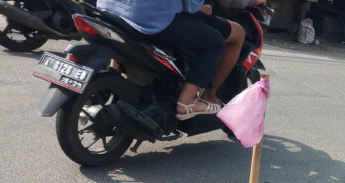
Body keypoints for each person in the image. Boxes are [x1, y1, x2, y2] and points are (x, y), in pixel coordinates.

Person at [96, 0, 245, 120]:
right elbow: (194, 6)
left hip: (107, 8)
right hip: (146, 18)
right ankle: (187, 102)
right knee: (215, 42)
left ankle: (114, 71)